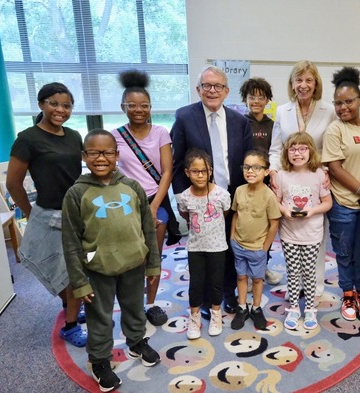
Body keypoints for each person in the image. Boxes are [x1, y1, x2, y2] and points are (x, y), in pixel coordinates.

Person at [62, 130, 161, 393]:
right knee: (100, 317)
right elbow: (71, 242)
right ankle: (99, 360)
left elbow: (147, 229)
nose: (101, 157)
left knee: (134, 308)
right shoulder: (76, 193)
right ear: (84, 156)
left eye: (107, 152)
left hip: (133, 263)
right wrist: (80, 283)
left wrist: (152, 264)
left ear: (117, 155)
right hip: (98, 267)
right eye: (93, 152)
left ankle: (137, 341)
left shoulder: (132, 187)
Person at [6, 82, 87, 347]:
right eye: (54, 103)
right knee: (58, 267)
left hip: (76, 212)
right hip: (47, 213)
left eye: (66, 105)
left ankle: (71, 319)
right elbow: (13, 184)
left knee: (76, 270)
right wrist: (31, 214)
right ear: (41, 104)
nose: (60, 110)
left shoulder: (74, 136)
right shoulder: (27, 139)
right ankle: (71, 316)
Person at [171, 66, 253, 317]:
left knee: (228, 248)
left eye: (218, 86)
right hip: (200, 200)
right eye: (207, 85)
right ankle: (205, 298)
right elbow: (177, 163)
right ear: (198, 89)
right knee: (203, 251)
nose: (212, 91)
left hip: (231, 197)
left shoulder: (240, 121)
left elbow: (247, 160)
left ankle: (227, 293)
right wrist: (183, 202)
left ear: (227, 91)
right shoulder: (185, 117)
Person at [269, 60, 337, 301]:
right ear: (292, 83)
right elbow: (276, 148)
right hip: (288, 178)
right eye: (299, 80)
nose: (304, 85)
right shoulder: (282, 111)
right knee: (290, 237)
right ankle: (293, 285)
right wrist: (274, 171)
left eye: (309, 80)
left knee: (315, 235)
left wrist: (327, 170)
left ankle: (314, 288)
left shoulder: (328, 110)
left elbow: (332, 146)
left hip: (317, 179)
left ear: (316, 83)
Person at [111, 69, 174, 326]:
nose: (139, 110)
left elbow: (168, 171)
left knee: (153, 255)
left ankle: (151, 303)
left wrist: (155, 205)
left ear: (150, 107)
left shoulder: (160, 132)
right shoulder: (114, 136)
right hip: (126, 204)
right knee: (128, 257)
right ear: (123, 106)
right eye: (132, 105)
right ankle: (132, 303)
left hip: (154, 200)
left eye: (144, 105)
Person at [322, 67, 360, 322]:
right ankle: (348, 294)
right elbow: (334, 167)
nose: (343, 107)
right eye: (338, 103)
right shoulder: (335, 130)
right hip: (345, 205)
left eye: (348, 101)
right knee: (345, 253)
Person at [275, 133, 332, 330]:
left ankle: (309, 308)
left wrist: (312, 211)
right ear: (286, 152)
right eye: (292, 149)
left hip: (312, 234)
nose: (297, 153)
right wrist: (284, 210)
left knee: (308, 272)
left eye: (302, 149)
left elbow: (327, 202)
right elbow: (276, 200)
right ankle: (293, 308)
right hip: (289, 233)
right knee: (292, 272)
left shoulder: (319, 175)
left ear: (310, 151)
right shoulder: (282, 175)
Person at [178, 148, 231, 339]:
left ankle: (216, 314)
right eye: (195, 171)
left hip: (217, 246)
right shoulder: (185, 196)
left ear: (210, 170)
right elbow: (186, 214)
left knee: (217, 282)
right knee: (196, 283)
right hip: (195, 247)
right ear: (187, 172)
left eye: (204, 171)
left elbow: (224, 213)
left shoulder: (222, 195)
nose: (200, 175)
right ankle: (195, 317)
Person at [230, 150, 281, 331]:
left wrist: (264, 248)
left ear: (266, 171)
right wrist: (232, 238)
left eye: (256, 167)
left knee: (258, 280)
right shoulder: (239, 191)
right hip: (239, 245)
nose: (250, 171)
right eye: (246, 167)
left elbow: (274, 224)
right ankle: (242, 307)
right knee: (241, 276)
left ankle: (257, 308)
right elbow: (236, 214)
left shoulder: (269, 196)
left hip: (258, 248)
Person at [239, 76, 282, 285]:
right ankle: (244, 272)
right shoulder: (239, 122)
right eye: (251, 97)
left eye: (261, 97)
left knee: (265, 227)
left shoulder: (273, 125)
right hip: (245, 183)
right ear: (245, 99)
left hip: (265, 184)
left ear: (267, 100)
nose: (256, 101)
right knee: (246, 227)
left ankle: (263, 267)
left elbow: (277, 152)